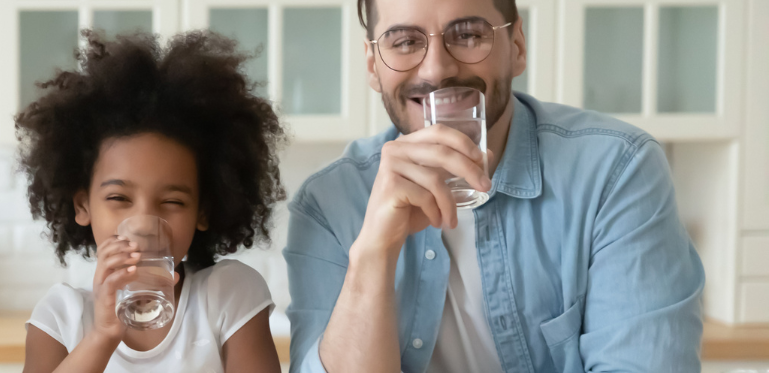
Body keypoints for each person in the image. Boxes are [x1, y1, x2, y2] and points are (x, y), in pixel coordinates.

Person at [282, 0, 705, 371]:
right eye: (405, 42)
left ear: (516, 47)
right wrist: (372, 254)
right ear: (374, 66)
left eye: (466, 35)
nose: (437, 70)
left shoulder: (617, 171)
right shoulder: (328, 204)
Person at [16, 30, 287, 373]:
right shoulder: (60, 315)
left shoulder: (229, 295)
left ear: (203, 210)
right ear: (83, 205)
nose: (144, 222)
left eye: (172, 202)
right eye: (118, 198)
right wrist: (101, 336)